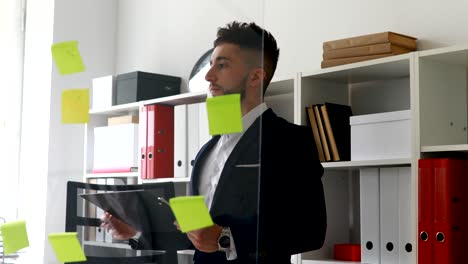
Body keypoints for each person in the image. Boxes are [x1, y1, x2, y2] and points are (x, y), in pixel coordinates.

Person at [101, 21, 326, 264]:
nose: (208, 76)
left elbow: (311, 233)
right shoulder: (206, 152)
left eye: (222, 66)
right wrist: (136, 231)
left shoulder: (291, 141)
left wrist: (225, 238)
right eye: (210, 66)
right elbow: (194, 237)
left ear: (256, 76)